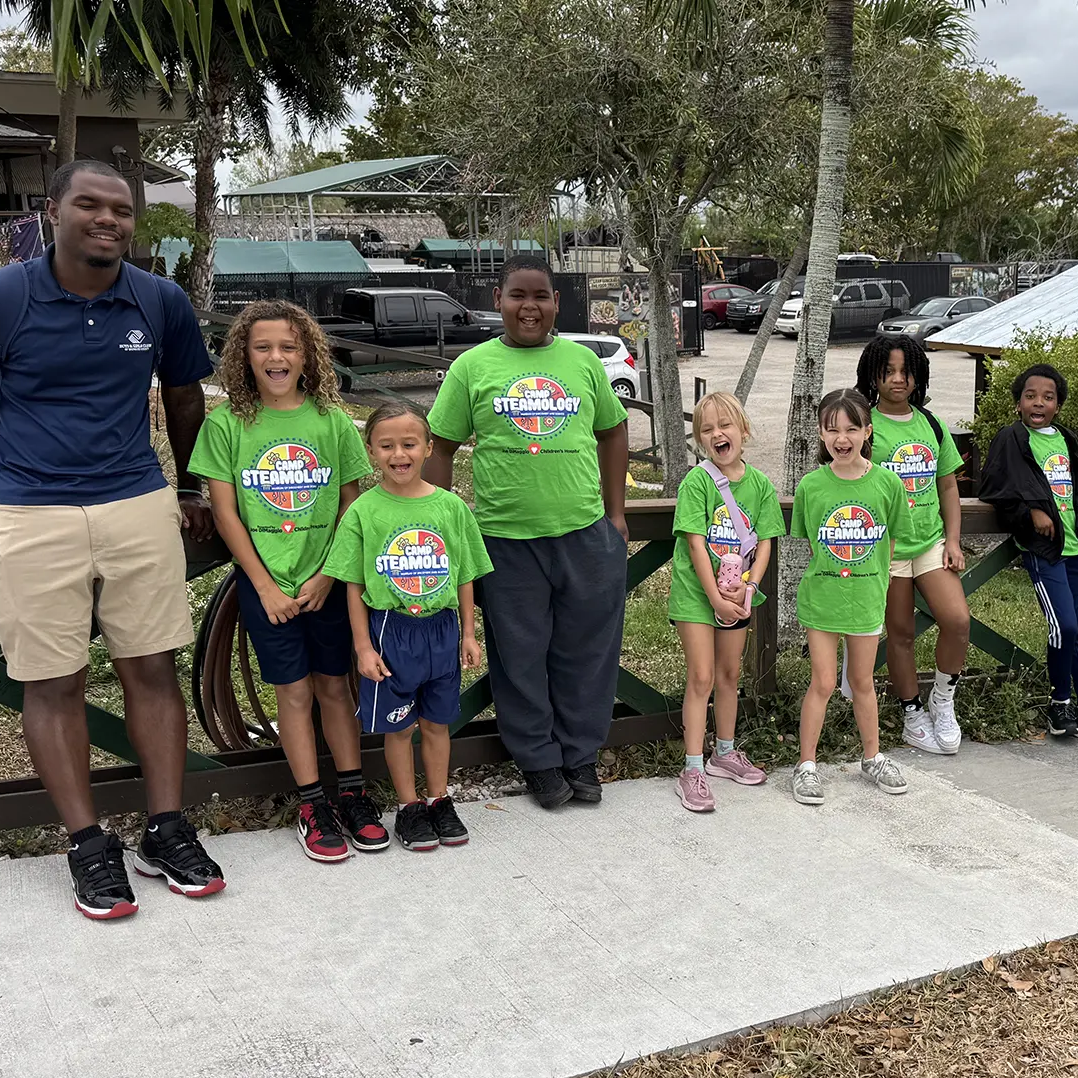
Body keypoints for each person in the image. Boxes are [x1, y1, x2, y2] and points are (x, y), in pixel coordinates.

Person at [0, 159, 222, 920]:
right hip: (25, 508)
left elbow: (182, 396)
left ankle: (165, 828)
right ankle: (87, 843)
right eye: (90, 205)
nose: (108, 220)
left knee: (153, 668)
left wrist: (192, 487)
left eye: (122, 210)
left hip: (136, 501)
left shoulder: (159, 300)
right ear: (53, 211)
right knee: (53, 680)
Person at [425, 256, 629, 809]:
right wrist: (438, 528)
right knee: (519, 655)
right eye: (518, 295)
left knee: (586, 652)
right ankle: (538, 759)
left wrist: (615, 515)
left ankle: (580, 755)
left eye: (541, 295)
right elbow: (439, 447)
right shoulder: (472, 367)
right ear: (498, 298)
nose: (529, 306)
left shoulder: (583, 362)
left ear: (556, 302)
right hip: (503, 541)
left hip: (584, 535)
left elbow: (613, 430)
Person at [191, 301, 382, 861]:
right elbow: (225, 513)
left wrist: (328, 575)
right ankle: (310, 803)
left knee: (334, 687)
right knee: (293, 693)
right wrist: (265, 585)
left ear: (308, 356)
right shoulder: (228, 424)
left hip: (327, 582)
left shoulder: (330, 420)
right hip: (265, 585)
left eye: (288, 347)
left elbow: (353, 503)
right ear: (243, 357)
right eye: (263, 347)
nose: (276, 357)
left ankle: (352, 792)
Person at [324, 401, 490, 849]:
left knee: (437, 723)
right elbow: (354, 585)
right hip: (389, 630)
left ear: (428, 448)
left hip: (442, 629)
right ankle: (409, 807)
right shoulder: (362, 512)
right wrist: (362, 647)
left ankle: (439, 799)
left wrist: (470, 633)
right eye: (387, 445)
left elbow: (466, 573)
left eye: (409, 444)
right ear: (371, 450)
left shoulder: (451, 507)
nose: (399, 454)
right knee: (399, 727)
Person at [977, 365, 1078, 750]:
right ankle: (1060, 703)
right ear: (1018, 403)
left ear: (1058, 405)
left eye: (1048, 397)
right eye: (1031, 396)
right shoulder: (1011, 439)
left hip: (1077, 547)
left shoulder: (1067, 440)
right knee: (1063, 626)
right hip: (1045, 551)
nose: (1039, 403)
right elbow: (996, 487)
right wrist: (1030, 512)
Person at [790, 389, 910, 806]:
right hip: (821, 601)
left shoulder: (888, 484)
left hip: (867, 601)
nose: (842, 438)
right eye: (832, 429)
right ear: (821, 433)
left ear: (867, 431)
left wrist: (871, 581)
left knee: (862, 681)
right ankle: (806, 765)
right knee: (822, 682)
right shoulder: (811, 486)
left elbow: (890, 542)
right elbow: (810, 544)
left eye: (851, 428)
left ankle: (872, 756)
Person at [854, 336, 970, 755]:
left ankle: (943, 700)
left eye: (906, 371)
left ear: (919, 375)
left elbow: (948, 486)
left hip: (930, 544)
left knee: (956, 620)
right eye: (888, 371)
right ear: (873, 375)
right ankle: (911, 712)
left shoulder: (931, 424)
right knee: (900, 634)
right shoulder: (865, 425)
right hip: (886, 551)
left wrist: (953, 540)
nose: (898, 379)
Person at [668, 392, 780, 813]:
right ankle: (692, 768)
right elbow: (696, 545)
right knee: (701, 677)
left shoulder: (761, 485)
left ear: (743, 430)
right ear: (699, 439)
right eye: (707, 429)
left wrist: (747, 590)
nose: (718, 433)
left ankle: (725, 753)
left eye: (725, 425)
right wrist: (714, 597)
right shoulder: (696, 483)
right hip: (698, 596)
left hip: (738, 594)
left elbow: (765, 543)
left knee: (729, 673)